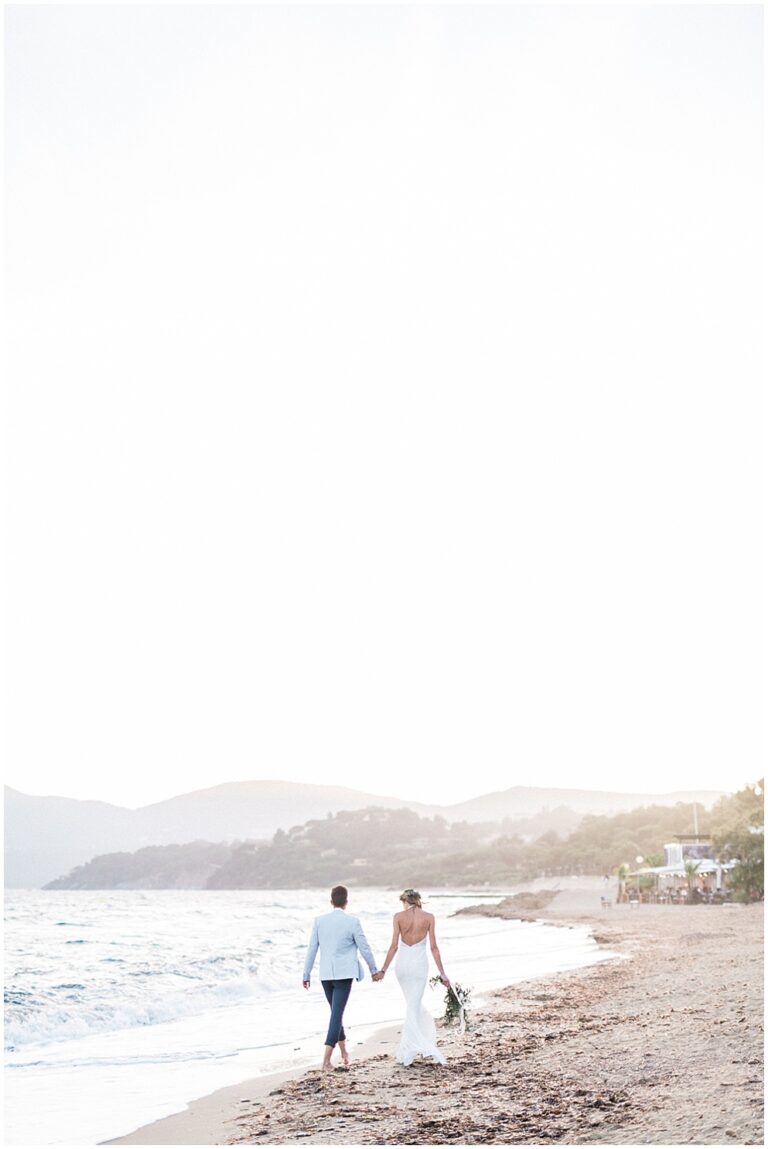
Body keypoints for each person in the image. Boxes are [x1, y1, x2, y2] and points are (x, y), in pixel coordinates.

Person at [302, 885, 382, 1071]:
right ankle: (326, 1061)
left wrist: (306, 974)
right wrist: (374, 970)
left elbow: (312, 949)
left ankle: (344, 1053)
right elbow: (365, 947)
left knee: (335, 1013)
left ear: (331, 902)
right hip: (344, 975)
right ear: (346, 902)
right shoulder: (352, 922)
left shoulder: (319, 921)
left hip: (325, 976)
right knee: (336, 1014)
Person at [378, 888, 448, 1067]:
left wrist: (383, 970)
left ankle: (409, 1048)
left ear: (404, 901)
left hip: (402, 965)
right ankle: (414, 1047)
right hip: (418, 965)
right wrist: (442, 973)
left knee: (412, 1004)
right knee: (414, 1004)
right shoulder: (429, 917)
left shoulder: (398, 917)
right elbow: (434, 948)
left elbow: (393, 946)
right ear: (417, 900)